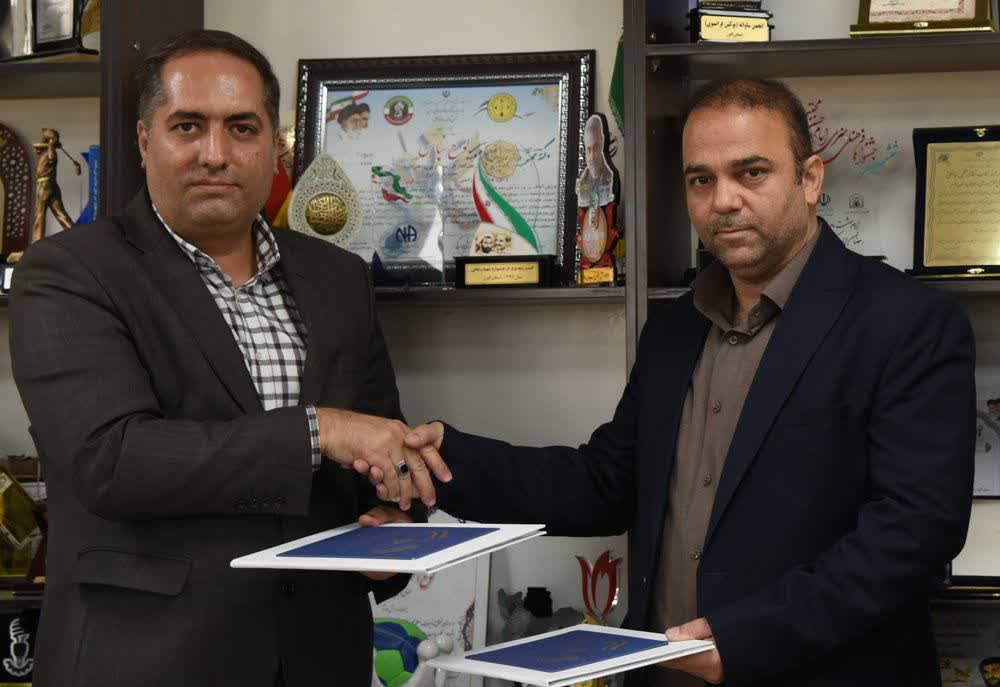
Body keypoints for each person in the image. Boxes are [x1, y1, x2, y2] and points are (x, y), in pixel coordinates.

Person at [402, 78, 976, 686]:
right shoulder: (674, 329)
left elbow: (915, 533)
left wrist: (747, 641)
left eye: (751, 173)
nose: (723, 200)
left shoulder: (907, 322)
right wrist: (442, 457)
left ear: (810, 179)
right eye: (701, 179)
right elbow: (605, 483)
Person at [10, 30, 448, 687]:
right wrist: (320, 429)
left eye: (242, 128)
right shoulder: (68, 272)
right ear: (144, 140)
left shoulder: (338, 278)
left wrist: (390, 520)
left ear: (274, 147)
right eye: (188, 126)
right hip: (145, 662)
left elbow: (373, 449)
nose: (215, 153)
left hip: (319, 657)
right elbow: (111, 459)